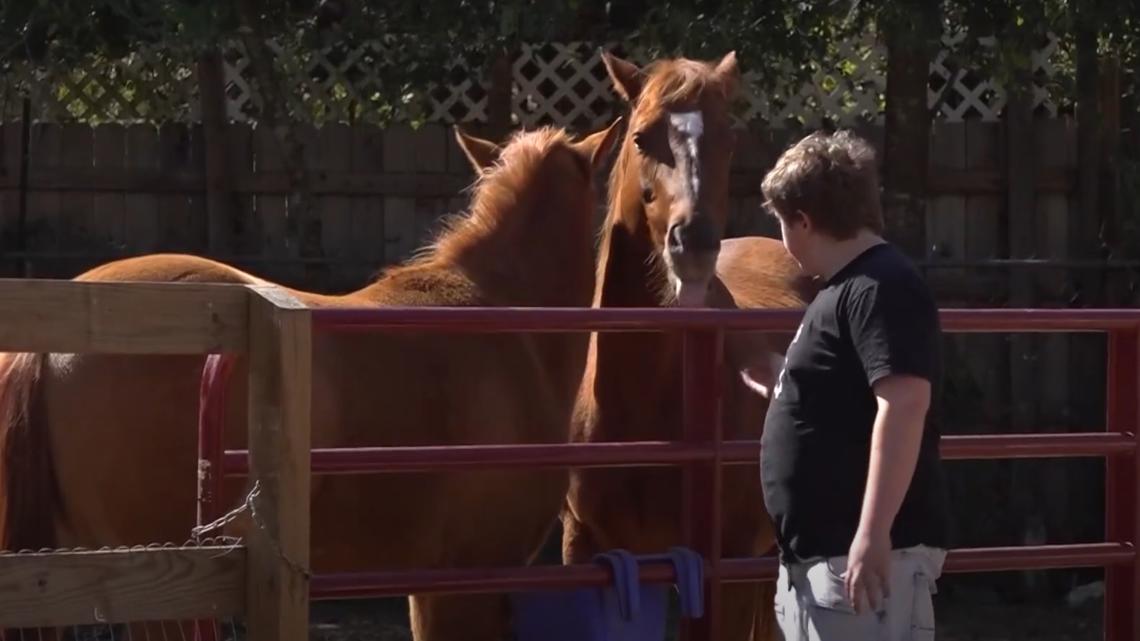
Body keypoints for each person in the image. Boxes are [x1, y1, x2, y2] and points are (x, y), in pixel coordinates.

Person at [750, 129, 952, 640]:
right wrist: (781, 383)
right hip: (823, 558)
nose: (783, 241)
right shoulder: (845, 291)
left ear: (803, 220)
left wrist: (873, 533)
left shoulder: (881, 287)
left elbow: (905, 404)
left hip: (860, 559)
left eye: (782, 224)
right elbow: (843, 393)